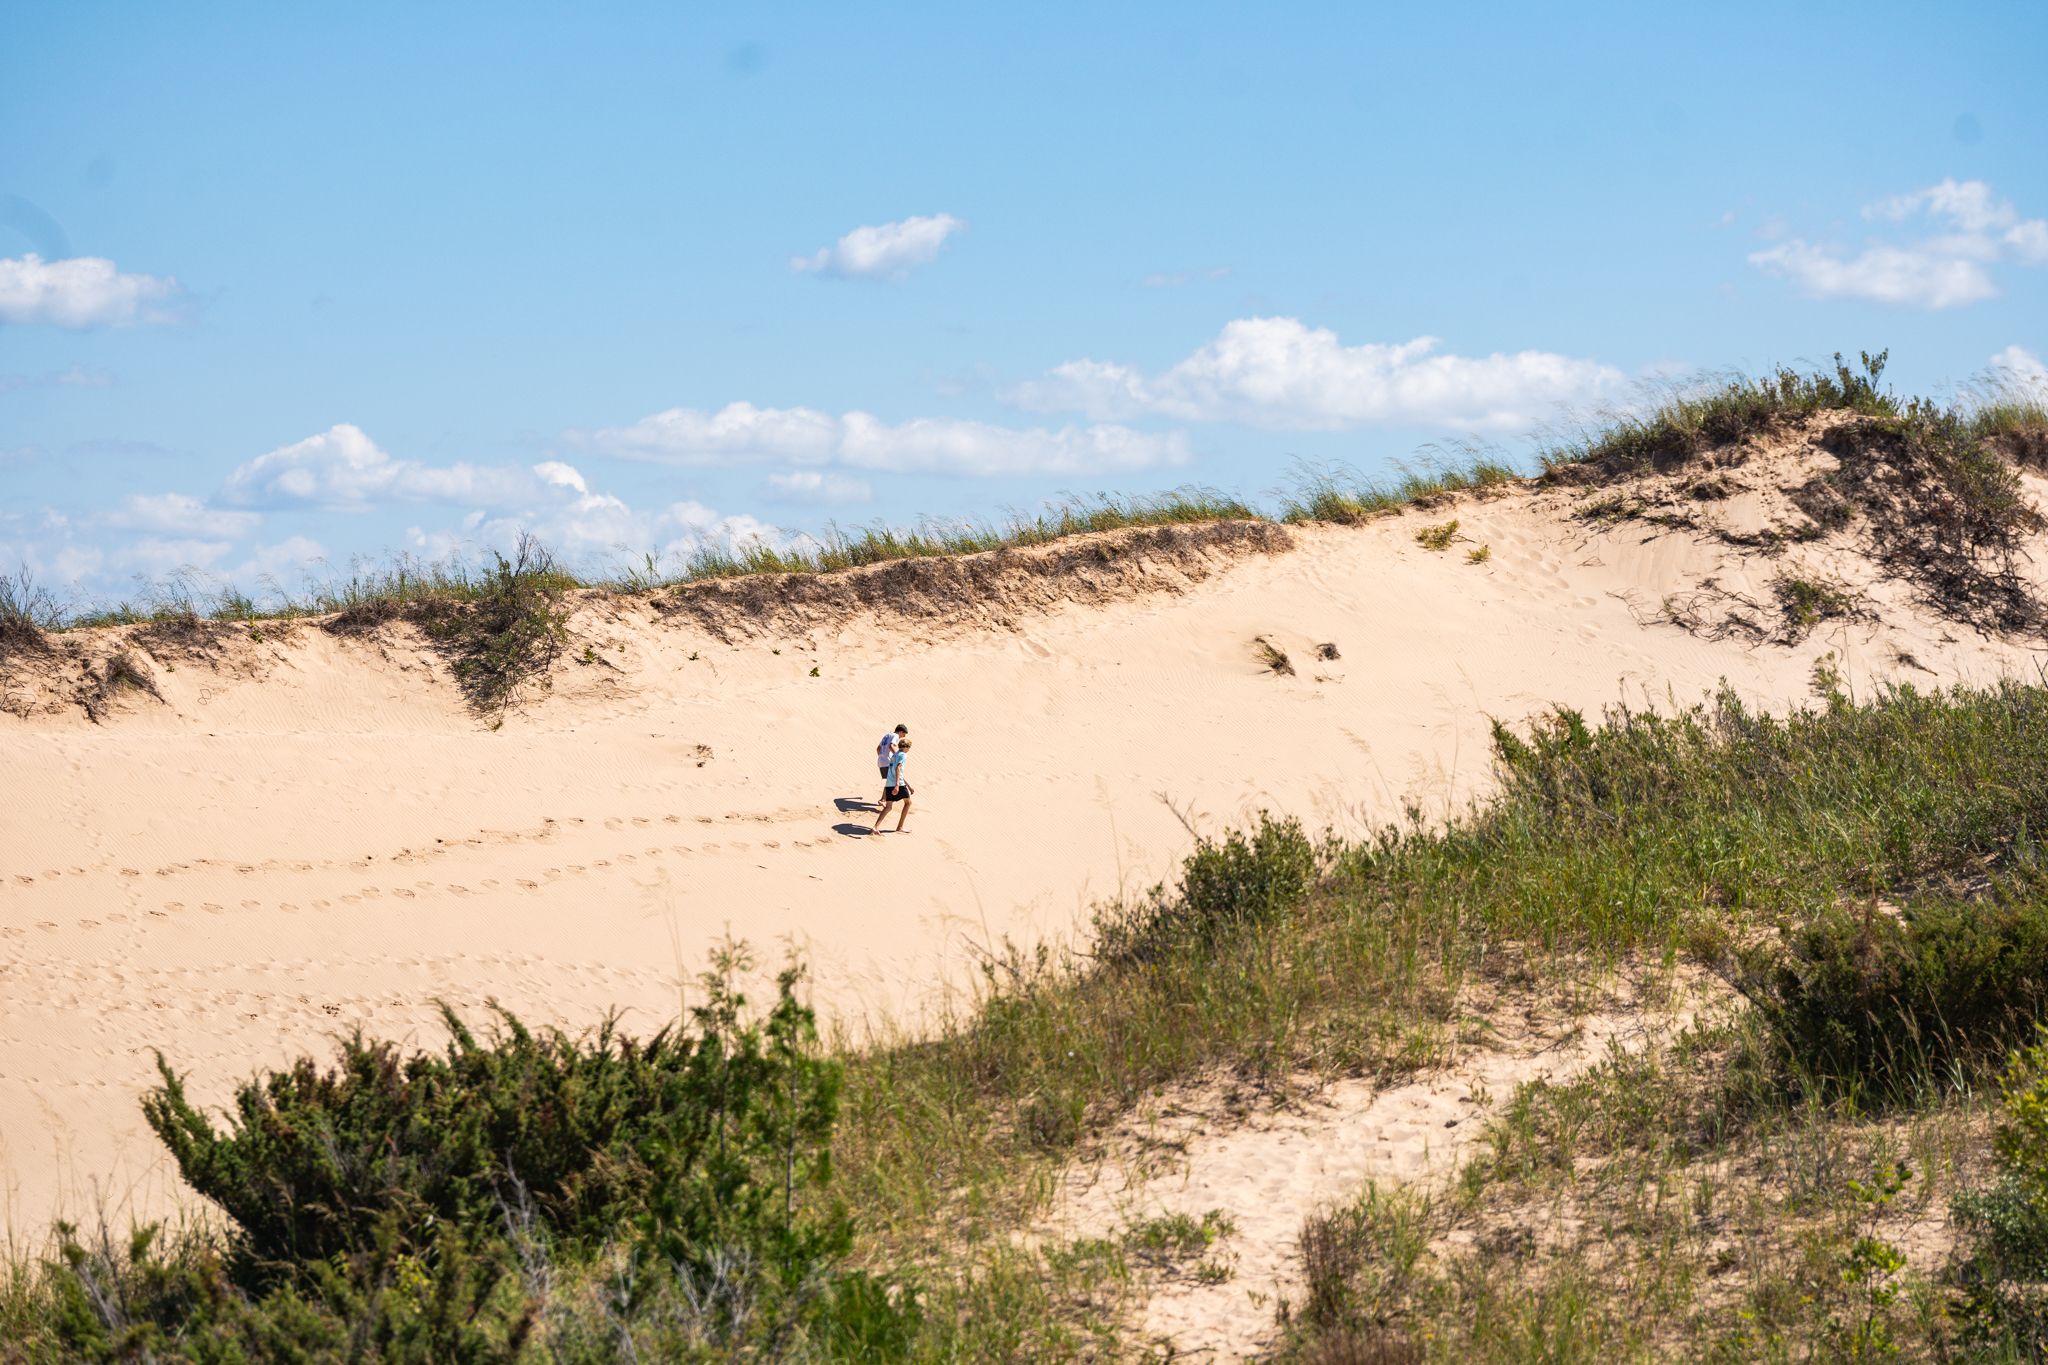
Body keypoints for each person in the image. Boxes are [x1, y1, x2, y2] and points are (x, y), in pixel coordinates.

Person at [871, 738, 912, 834]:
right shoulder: (903, 755)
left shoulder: (895, 755)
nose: (909, 749)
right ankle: (900, 827)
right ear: (906, 747)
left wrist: (908, 786)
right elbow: (898, 769)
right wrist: (897, 785)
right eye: (909, 747)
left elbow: (896, 771)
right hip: (897, 784)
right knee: (908, 803)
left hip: (889, 784)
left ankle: (875, 827)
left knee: (888, 807)